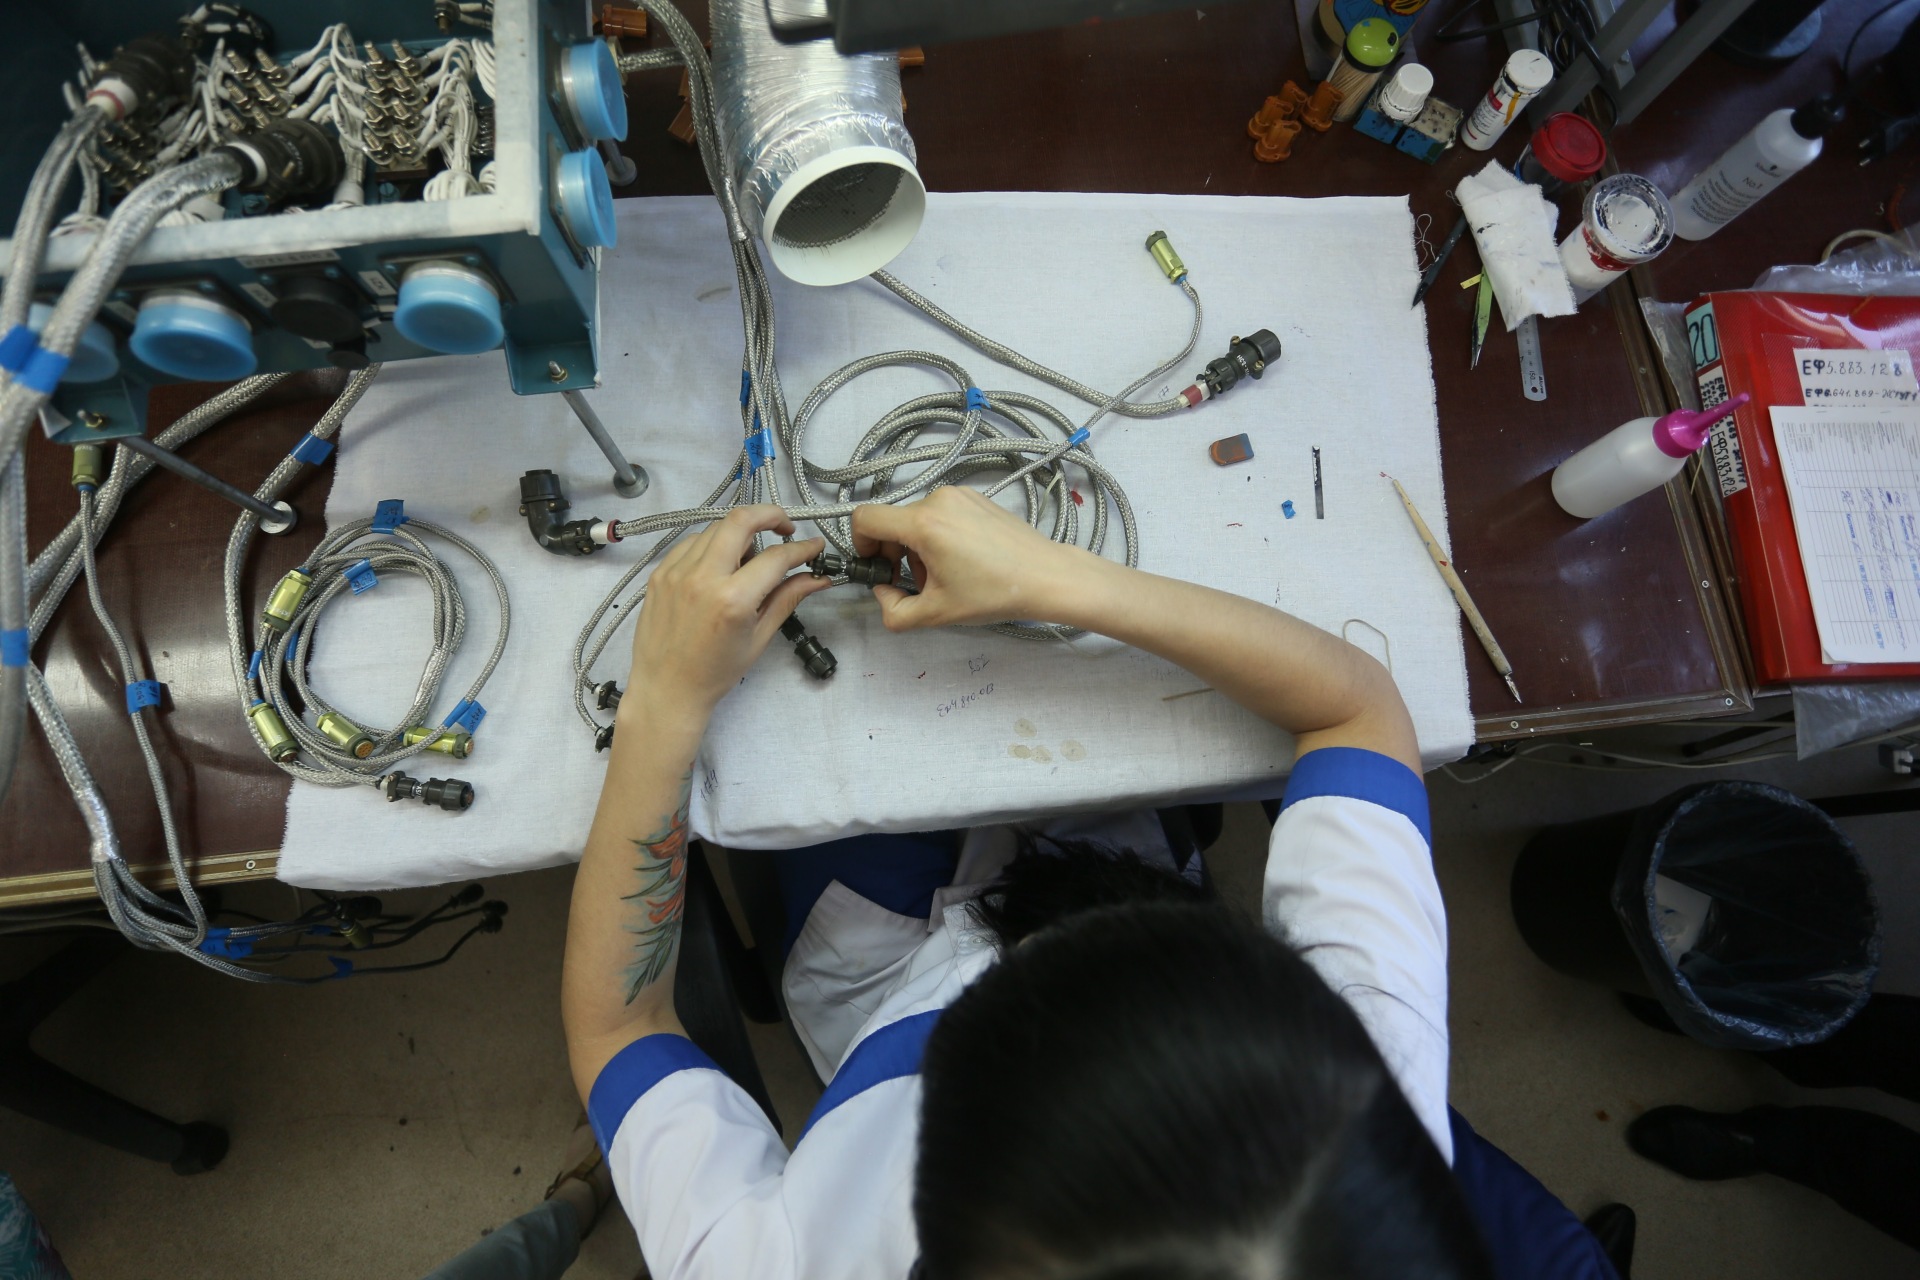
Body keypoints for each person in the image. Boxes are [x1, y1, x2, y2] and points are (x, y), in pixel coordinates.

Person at [562, 487, 1618, 1279]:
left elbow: (621, 1025)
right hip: (1129, 891)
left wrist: (663, 699)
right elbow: (1357, 713)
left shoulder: (793, 1259)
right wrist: (1052, 578)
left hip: (886, 988)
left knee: (800, 787)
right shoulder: (1346, 1087)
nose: (1015, 951)